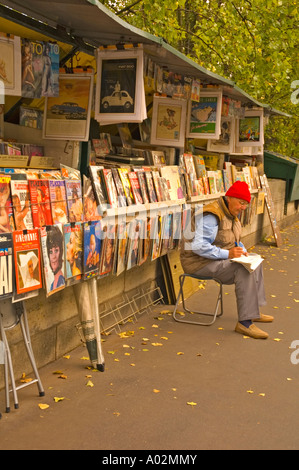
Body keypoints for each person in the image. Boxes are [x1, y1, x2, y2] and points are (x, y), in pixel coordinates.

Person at [180, 180, 273, 339]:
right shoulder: (212, 215)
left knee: (255, 262)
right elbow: (198, 246)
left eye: (246, 204)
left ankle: (253, 311)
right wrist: (228, 254)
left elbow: (233, 241)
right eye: (241, 203)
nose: (243, 207)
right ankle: (244, 323)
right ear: (229, 198)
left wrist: (243, 251)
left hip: (214, 260)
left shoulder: (231, 213)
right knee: (242, 269)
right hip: (198, 263)